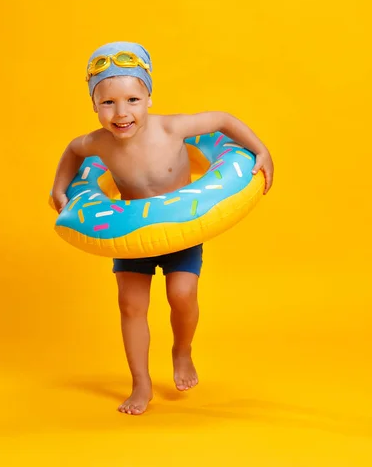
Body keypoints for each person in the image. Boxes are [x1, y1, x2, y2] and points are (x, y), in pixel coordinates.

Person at [50, 41, 274, 415]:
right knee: (130, 305)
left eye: (133, 100)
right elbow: (73, 151)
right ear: (94, 106)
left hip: (180, 228)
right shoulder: (100, 144)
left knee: (182, 294)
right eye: (108, 103)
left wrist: (261, 149)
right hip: (131, 235)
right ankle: (141, 384)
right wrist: (59, 187)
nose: (121, 113)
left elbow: (221, 120)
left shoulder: (172, 129)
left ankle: (182, 350)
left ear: (149, 97)